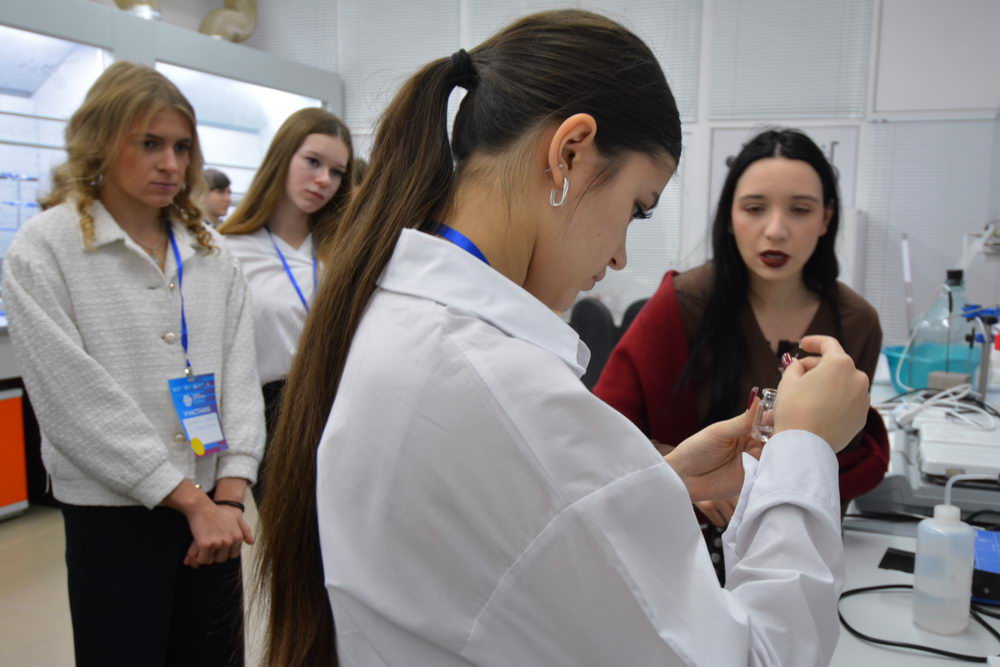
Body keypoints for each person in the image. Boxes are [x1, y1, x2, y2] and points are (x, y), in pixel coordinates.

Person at [256, 10, 871, 667]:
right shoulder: (505, 389)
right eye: (636, 208)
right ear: (570, 152)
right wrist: (804, 449)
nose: (620, 256)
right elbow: (760, 657)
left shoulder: (403, 318)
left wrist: (642, 485)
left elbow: (501, 528)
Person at [3, 62, 263, 667]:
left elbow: (240, 376)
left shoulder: (210, 251)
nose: (170, 163)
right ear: (100, 141)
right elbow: (73, 403)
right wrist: (191, 504)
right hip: (114, 511)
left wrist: (230, 494)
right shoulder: (46, 248)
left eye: (181, 147)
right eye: (148, 144)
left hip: (216, 504)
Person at [594, 129, 888, 579]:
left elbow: (846, 455)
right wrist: (688, 476)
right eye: (754, 208)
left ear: (826, 218)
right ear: (729, 217)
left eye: (800, 210)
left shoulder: (856, 323)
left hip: (801, 553)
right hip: (680, 555)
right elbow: (603, 434)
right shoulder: (681, 303)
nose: (776, 230)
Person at [219, 107, 352, 502]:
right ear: (282, 157)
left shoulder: (342, 250)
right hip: (272, 412)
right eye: (313, 162)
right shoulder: (228, 251)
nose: (323, 179)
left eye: (337, 172)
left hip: (341, 402)